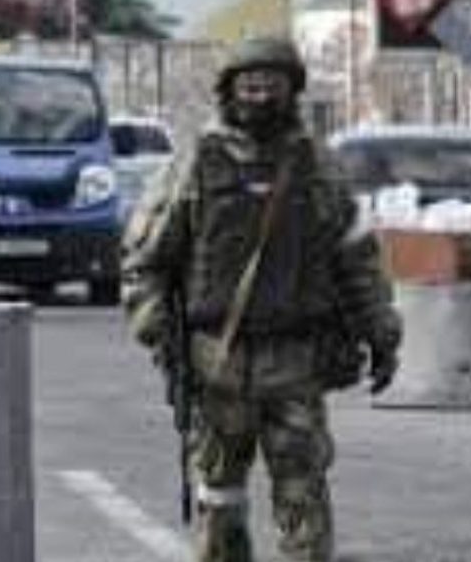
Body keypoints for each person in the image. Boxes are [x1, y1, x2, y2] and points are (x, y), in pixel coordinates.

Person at [122, 36, 402, 562]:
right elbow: (146, 257)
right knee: (219, 498)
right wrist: (156, 328)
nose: (260, 96)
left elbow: (356, 260)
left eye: (272, 85)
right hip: (216, 362)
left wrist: (381, 334)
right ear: (229, 91)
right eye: (249, 86)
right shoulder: (196, 164)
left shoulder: (317, 168)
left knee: (303, 494)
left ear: (292, 91)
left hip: (296, 360)